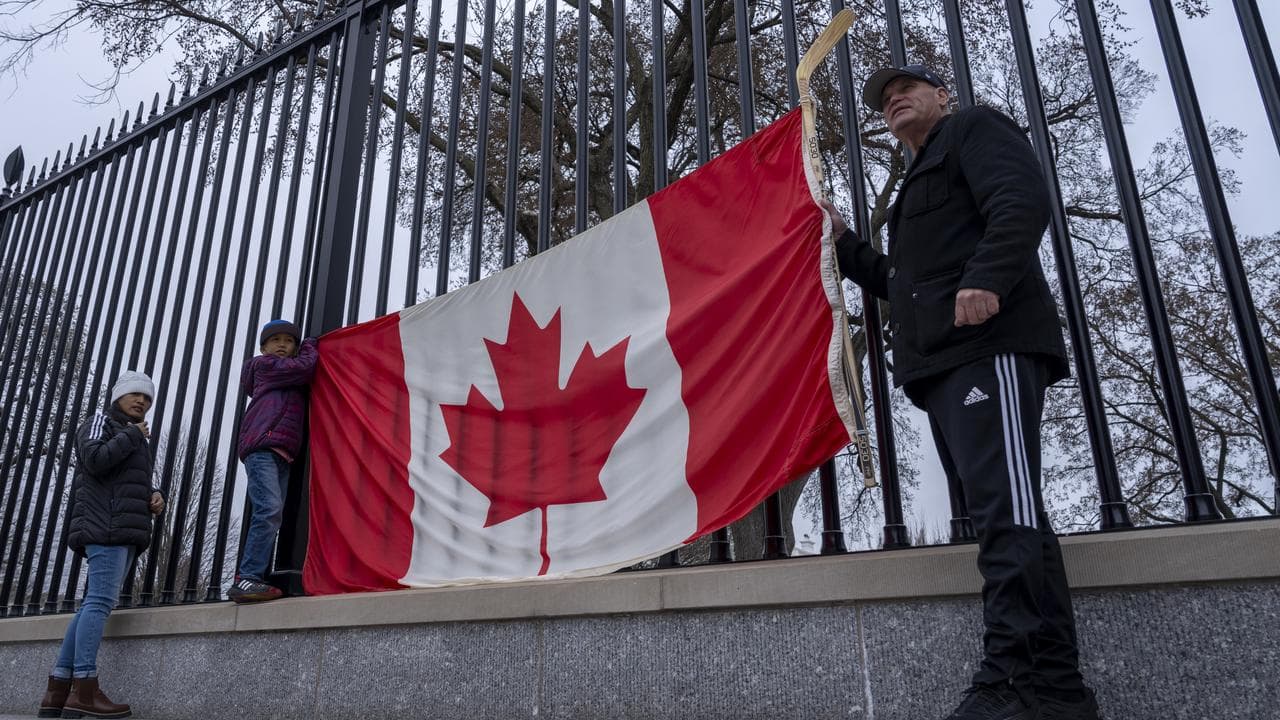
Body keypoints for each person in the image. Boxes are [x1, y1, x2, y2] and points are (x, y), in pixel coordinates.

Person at [820, 64, 1101, 720]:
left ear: (943, 96)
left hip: (989, 346)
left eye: (906, 89)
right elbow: (905, 283)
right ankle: (1057, 690)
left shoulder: (972, 128)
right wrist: (843, 244)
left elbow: (1022, 197)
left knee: (1006, 511)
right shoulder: (919, 179)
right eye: (883, 100)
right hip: (943, 366)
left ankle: (1009, 679)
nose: (893, 99)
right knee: (1009, 512)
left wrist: (989, 277)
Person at [39, 371, 166, 719]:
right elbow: (94, 459)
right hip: (104, 527)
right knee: (98, 603)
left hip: (123, 528)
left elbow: (124, 479)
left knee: (90, 606)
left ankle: (58, 692)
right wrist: (130, 435)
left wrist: (153, 494)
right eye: (135, 395)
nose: (141, 401)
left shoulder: (133, 436)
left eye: (147, 398)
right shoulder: (102, 422)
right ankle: (85, 686)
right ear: (118, 397)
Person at [227, 319, 318, 603]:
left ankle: (256, 575)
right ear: (263, 347)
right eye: (275, 340)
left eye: (289, 341)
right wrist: (311, 346)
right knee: (268, 510)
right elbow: (304, 368)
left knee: (273, 512)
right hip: (263, 448)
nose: (282, 344)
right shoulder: (264, 367)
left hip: (283, 452)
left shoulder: (286, 378)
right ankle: (247, 578)